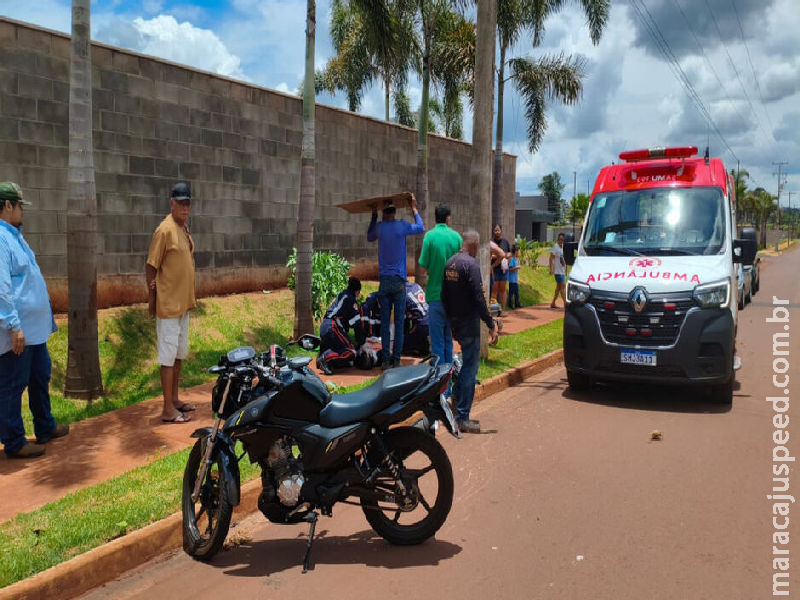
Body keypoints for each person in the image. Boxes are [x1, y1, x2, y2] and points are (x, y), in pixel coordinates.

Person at [0, 182, 69, 458]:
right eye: (19, 206)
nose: (21, 211)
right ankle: (14, 442)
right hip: (18, 332)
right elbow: (2, 288)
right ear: (7, 206)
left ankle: (44, 426)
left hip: (35, 331)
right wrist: (13, 326)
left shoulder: (15, 236)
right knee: (13, 385)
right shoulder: (1, 240)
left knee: (40, 376)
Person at [146, 182, 196, 424]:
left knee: (178, 355)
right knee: (167, 357)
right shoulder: (164, 230)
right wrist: (152, 297)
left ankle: (174, 400)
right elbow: (151, 266)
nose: (185, 208)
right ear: (172, 203)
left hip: (183, 304)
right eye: (181, 204)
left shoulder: (183, 229)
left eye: (188, 204)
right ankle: (167, 409)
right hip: (168, 306)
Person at [441, 230, 498, 435]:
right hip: (469, 324)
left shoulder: (450, 263)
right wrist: (490, 322)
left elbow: (443, 295)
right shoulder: (471, 265)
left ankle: (455, 399)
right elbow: (478, 297)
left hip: (456, 323)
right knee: (470, 369)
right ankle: (462, 417)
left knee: (466, 364)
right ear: (474, 245)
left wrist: (451, 321)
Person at [367, 196, 425, 369]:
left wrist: (373, 215)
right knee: (399, 322)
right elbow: (421, 227)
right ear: (394, 212)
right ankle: (397, 358)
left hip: (385, 280)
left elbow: (369, 237)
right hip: (399, 281)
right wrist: (414, 209)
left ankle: (385, 360)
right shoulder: (401, 226)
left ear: (384, 213)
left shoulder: (380, 228)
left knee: (385, 322)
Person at [418, 204, 461, 367]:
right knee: (448, 341)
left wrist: (432, 268)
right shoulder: (456, 238)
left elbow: (422, 266)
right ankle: (448, 385)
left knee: (437, 345)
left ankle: (440, 387)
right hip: (453, 299)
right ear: (448, 218)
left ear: (435, 218)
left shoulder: (429, 236)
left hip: (435, 296)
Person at [316, 277, 371, 374]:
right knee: (351, 351)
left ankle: (324, 353)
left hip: (325, 326)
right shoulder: (351, 300)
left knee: (340, 348)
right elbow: (357, 324)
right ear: (357, 291)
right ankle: (325, 358)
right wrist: (362, 343)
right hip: (332, 327)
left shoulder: (342, 295)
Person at [402, 281, 430, 356]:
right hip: (432, 319)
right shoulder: (416, 285)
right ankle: (423, 344)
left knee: (402, 346)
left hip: (422, 325)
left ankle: (417, 347)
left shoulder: (402, 293)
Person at [490, 224, 511, 311]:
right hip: (494, 269)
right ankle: (493, 310)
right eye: (495, 230)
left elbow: (509, 253)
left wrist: (506, 256)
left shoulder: (505, 242)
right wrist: (500, 256)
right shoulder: (491, 242)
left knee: (503, 290)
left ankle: (503, 310)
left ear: (501, 231)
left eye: (498, 230)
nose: (497, 232)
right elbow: (492, 256)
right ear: (493, 231)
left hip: (504, 270)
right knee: (494, 290)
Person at [549, 232, 567, 309]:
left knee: (558, 288)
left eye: (562, 240)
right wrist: (551, 269)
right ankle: (566, 304)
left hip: (562, 271)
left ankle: (553, 303)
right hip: (557, 271)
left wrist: (565, 269)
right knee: (563, 286)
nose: (560, 241)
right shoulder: (555, 247)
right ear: (557, 240)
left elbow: (563, 258)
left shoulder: (563, 247)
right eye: (559, 239)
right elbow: (551, 258)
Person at [507, 244, 521, 309]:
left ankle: (517, 303)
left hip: (515, 279)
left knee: (516, 293)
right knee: (511, 293)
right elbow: (510, 269)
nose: (519, 253)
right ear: (515, 251)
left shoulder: (515, 259)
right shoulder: (512, 259)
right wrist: (517, 267)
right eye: (518, 251)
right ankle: (510, 304)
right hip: (512, 280)